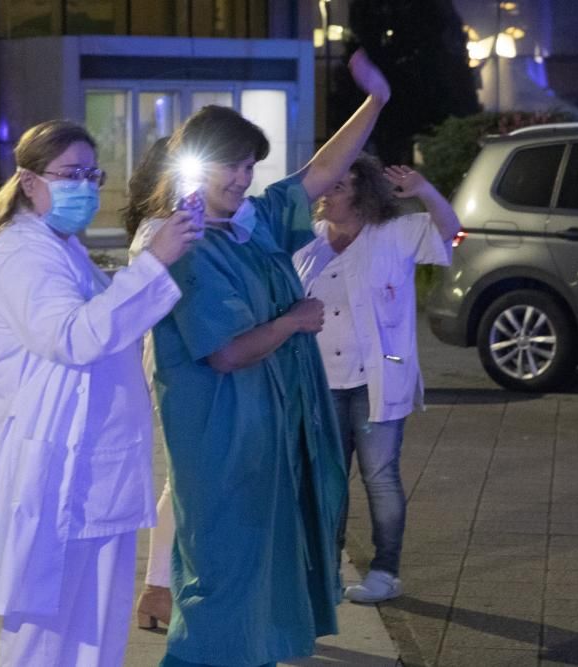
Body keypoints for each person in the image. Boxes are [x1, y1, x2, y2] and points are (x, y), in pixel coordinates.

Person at [136, 48, 390, 667]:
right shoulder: (185, 242)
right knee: (223, 568)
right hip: (220, 435)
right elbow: (223, 353)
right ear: (194, 164)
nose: (243, 177)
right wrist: (294, 320)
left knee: (267, 563)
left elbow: (322, 171)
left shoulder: (253, 222)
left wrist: (376, 100)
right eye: (231, 164)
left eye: (250, 165)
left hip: (268, 428)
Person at [0, 119, 200, 666]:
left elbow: (103, 320)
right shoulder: (23, 254)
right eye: (70, 173)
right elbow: (73, 337)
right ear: (29, 179)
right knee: (49, 630)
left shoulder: (57, 246)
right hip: (52, 471)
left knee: (90, 628)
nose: (84, 185)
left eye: (92, 173)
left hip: (85, 467)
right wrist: (153, 262)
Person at [292, 155, 460, 603]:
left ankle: (385, 571)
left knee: (380, 476)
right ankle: (324, 574)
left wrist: (424, 189)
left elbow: (453, 232)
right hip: (320, 381)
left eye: (339, 187)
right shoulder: (308, 242)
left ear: (364, 194)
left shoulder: (396, 234)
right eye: (326, 186)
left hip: (377, 380)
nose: (327, 194)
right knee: (326, 480)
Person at [122, 137, 178, 630]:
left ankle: (161, 590)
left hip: (189, 367)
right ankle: (158, 589)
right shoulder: (159, 230)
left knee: (180, 481)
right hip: (178, 368)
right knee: (181, 482)